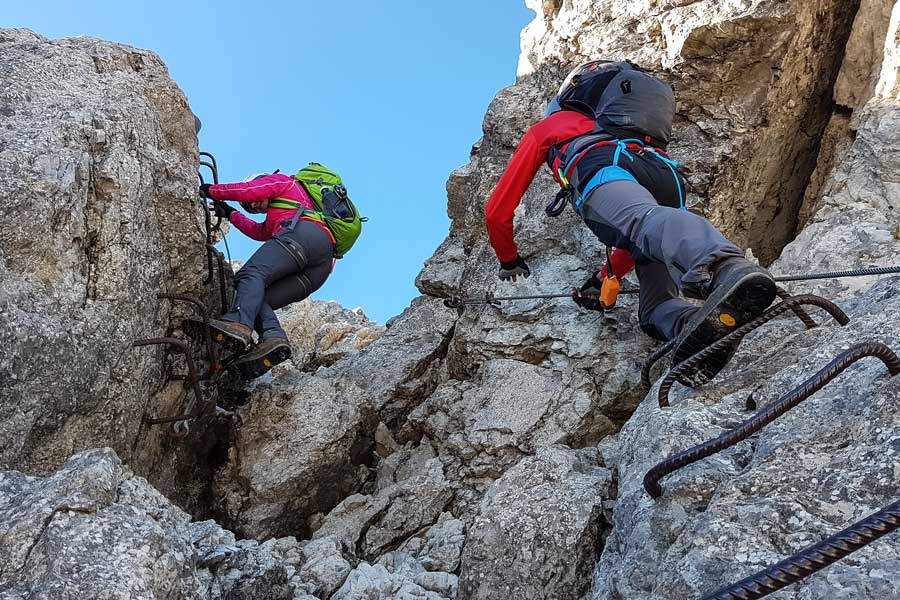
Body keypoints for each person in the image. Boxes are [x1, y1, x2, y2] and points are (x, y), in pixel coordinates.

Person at [485, 60, 777, 386]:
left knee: (644, 220)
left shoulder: (557, 124)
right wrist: (603, 279)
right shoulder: (635, 136)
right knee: (656, 304)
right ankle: (696, 327)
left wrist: (508, 258)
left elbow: (498, 210)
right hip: (666, 178)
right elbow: (638, 239)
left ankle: (726, 267)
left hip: (607, 166)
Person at [195, 172, 336, 379]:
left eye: (253, 203)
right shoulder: (287, 209)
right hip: (319, 268)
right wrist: (232, 214)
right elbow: (259, 232)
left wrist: (210, 191)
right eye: (251, 209)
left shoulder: (284, 183)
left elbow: (248, 190)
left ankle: (239, 324)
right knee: (257, 296)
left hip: (303, 236)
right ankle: (272, 337)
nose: (255, 207)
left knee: (250, 275)